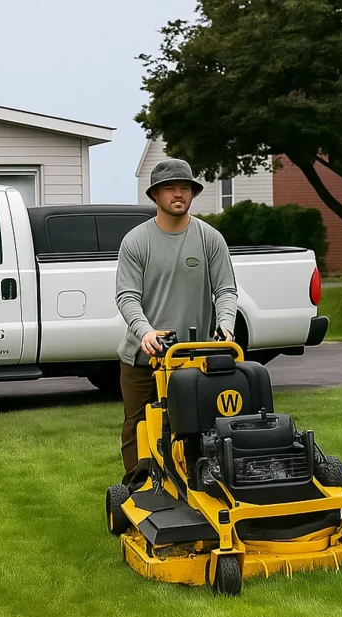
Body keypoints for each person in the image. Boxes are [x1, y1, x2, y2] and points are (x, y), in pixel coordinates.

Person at [115, 158, 238, 476]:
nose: (178, 194)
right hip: (144, 358)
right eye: (169, 188)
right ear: (155, 195)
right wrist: (145, 332)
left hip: (195, 357)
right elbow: (127, 296)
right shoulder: (136, 241)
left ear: (193, 193)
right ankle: (138, 488)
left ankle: (197, 484)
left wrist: (225, 325)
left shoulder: (209, 238)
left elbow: (226, 290)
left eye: (185, 187)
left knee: (200, 426)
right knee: (139, 426)